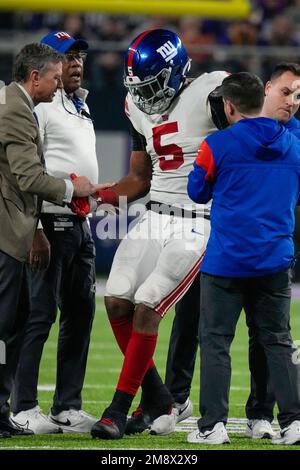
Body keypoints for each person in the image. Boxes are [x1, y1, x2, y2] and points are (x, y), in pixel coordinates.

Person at [77, 28, 228, 440]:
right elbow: (140, 179)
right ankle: (159, 398)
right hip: (154, 215)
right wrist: (100, 193)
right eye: (139, 86)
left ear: (178, 71)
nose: (145, 94)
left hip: (197, 218)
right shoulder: (137, 107)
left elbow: (249, 137)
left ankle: (118, 409)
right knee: (116, 300)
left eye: (153, 83)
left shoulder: (213, 91)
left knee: (147, 306)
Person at [166, 62, 300, 441]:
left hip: (226, 262)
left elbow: (197, 192)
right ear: (264, 98)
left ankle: (213, 426)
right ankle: (292, 422)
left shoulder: (217, 144)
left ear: (228, 107)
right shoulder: (294, 145)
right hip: (275, 260)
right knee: (277, 341)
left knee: (215, 343)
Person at [0, 43, 98, 439]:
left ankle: (61, 406)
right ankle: (20, 405)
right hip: (31, 227)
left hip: (72, 224)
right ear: (37, 74)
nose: (68, 73)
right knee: (22, 321)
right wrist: (70, 192)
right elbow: (28, 175)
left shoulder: (74, 104)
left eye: (76, 61)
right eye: (60, 68)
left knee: (68, 316)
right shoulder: (25, 107)